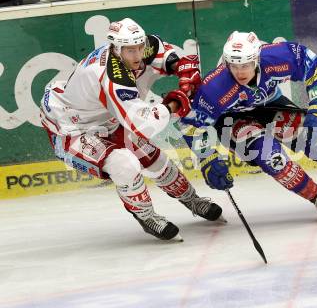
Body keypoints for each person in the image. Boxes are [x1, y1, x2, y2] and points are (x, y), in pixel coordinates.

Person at [40, 18, 223, 241]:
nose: (137, 55)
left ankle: (192, 200)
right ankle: (146, 216)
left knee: (154, 159)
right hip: (71, 128)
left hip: (106, 117)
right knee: (124, 163)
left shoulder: (139, 48)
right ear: (116, 49)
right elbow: (143, 125)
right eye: (130, 50)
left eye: (139, 47)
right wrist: (175, 103)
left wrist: (184, 70)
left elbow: (167, 54)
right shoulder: (112, 77)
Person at [178, 31, 317, 220]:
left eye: (246, 65)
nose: (240, 72)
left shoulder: (277, 56)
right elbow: (191, 125)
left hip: (271, 105)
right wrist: (207, 157)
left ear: (257, 59)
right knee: (271, 156)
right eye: (234, 65)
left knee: (316, 139)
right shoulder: (214, 87)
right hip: (232, 119)